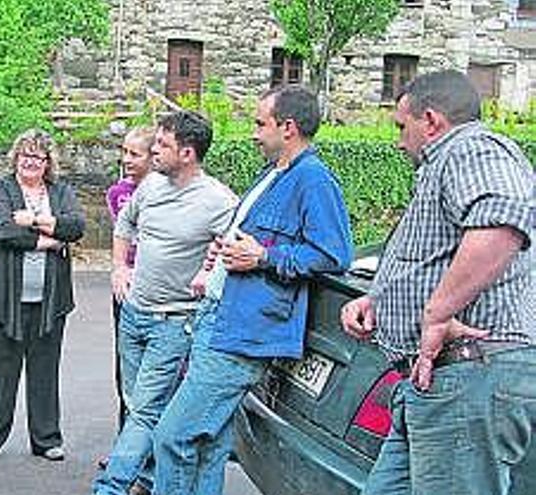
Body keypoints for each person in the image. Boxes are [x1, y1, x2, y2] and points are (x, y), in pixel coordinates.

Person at [340, 70, 535, 495]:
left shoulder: (473, 148)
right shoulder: (445, 165)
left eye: (400, 126)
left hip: (468, 374)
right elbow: (435, 254)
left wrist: (437, 312)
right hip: (434, 383)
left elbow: (501, 222)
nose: (397, 140)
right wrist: (380, 298)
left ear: (430, 120)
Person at [151, 86, 353, 495]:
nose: (253, 132)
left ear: (289, 127)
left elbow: (333, 254)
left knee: (172, 437)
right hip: (221, 319)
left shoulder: (312, 179)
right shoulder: (273, 174)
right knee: (209, 445)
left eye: (261, 123)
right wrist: (224, 251)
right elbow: (248, 241)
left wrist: (264, 256)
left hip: (243, 334)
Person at [93, 111, 236, 495]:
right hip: (133, 313)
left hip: (173, 322)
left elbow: (236, 249)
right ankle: (152, 478)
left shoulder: (218, 201)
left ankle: (111, 486)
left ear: (187, 153)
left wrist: (210, 271)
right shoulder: (151, 185)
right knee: (134, 401)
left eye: (162, 145)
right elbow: (125, 226)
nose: (154, 150)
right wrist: (119, 268)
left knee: (143, 410)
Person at [0, 128, 85, 462]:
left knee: (45, 370)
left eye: (38, 156)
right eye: (25, 155)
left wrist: (32, 219)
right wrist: (49, 238)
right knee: (1, 370)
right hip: (5, 298)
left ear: (48, 163)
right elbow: (2, 229)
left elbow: (76, 226)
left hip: (51, 300)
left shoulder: (60, 191)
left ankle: (46, 439)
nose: (30, 162)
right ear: (15, 158)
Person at [104, 126, 154, 431]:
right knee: (126, 367)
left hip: (158, 286)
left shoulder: (168, 191)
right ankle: (126, 439)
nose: (126, 160)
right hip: (127, 285)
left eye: (134, 154)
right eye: (124, 152)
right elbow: (125, 237)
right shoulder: (118, 193)